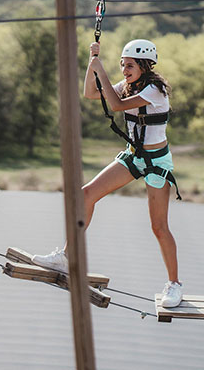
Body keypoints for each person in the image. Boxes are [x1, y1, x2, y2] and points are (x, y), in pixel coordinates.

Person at [32, 39, 182, 308]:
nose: (124, 70)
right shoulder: (127, 87)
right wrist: (93, 63)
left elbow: (114, 105)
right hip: (134, 157)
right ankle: (66, 256)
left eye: (130, 65)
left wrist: (102, 70)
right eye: (123, 65)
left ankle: (174, 284)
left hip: (157, 162)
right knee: (85, 195)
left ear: (145, 65)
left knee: (158, 227)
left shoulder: (154, 90)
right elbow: (90, 93)